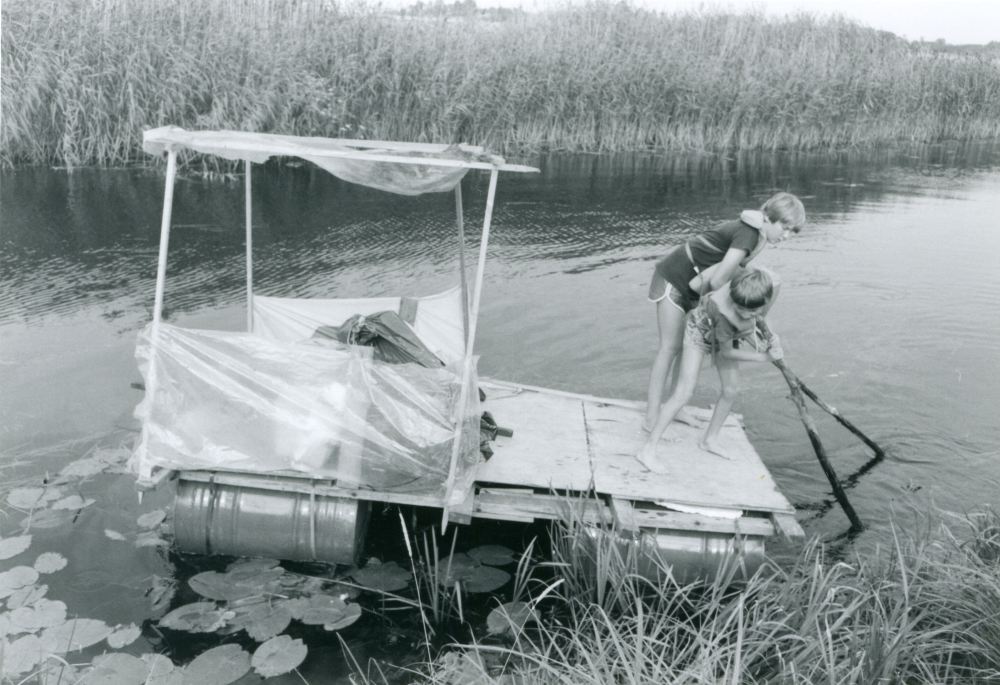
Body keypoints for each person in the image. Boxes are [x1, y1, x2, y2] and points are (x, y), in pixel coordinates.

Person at [643, 192, 804, 437]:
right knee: (669, 348)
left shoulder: (758, 235)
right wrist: (729, 317)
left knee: (681, 347)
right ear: (769, 218)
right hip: (673, 280)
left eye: (793, 232)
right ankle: (651, 416)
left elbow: (727, 276)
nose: (786, 236)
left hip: (694, 286)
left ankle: (675, 409)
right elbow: (719, 280)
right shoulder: (749, 234)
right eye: (785, 227)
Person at [635, 267, 784, 473]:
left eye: (750, 311)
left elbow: (759, 318)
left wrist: (770, 338)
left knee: (732, 390)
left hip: (723, 335)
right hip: (699, 333)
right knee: (684, 392)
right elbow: (727, 352)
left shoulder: (768, 287)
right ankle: (648, 450)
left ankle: (709, 440)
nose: (744, 313)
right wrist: (763, 357)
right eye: (740, 308)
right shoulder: (725, 314)